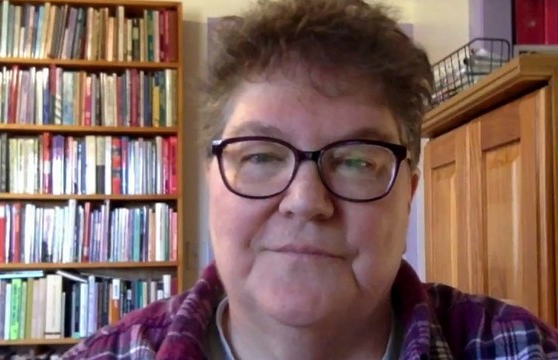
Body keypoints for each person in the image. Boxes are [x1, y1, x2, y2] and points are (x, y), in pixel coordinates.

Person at [62, 0, 558, 359]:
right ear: (210, 178)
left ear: (408, 192)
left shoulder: (520, 348)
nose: (305, 201)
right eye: (259, 156)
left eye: (357, 161)